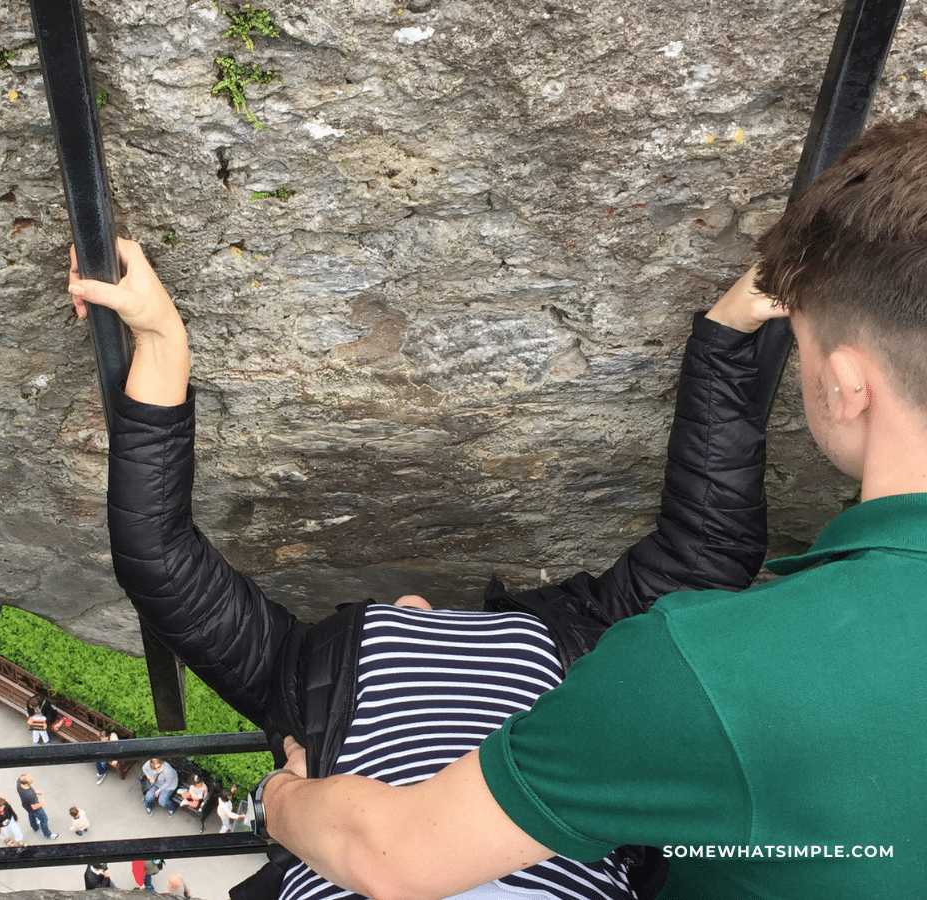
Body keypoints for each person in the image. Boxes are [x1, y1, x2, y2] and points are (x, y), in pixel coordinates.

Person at [235, 118, 927, 898]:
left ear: (845, 384)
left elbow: (390, 858)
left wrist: (282, 800)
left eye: (798, 344)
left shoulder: (708, 672)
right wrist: (725, 345)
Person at [71, 212, 776, 900]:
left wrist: (162, 343)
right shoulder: (589, 659)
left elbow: (159, 560)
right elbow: (705, 553)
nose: (420, 603)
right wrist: (728, 336)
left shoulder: (304, 691)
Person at [15, 773, 58, 840]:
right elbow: (34, 807)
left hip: (26, 805)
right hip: (35, 808)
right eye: (30, 780)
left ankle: (35, 828)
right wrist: (41, 803)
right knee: (44, 819)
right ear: (26, 783)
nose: (31, 778)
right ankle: (48, 834)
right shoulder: (30, 795)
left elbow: (28, 789)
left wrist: (35, 792)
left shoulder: (19, 783)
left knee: (31, 814)